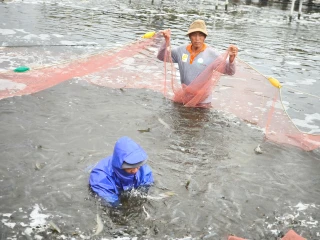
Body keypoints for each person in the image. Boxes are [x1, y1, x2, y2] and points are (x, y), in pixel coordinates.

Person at [157, 19, 238, 106]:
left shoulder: (212, 54)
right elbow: (162, 57)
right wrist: (166, 41)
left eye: (200, 35)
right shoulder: (180, 51)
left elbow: (230, 71)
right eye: (194, 35)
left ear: (204, 37)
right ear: (189, 36)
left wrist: (231, 60)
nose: (197, 39)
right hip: (184, 97)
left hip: (203, 101)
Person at [89, 136, 154, 207]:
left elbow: (145, 189)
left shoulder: (143, 170)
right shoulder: (100, 179)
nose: (135, 171)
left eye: (137, 166)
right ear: (121, 166)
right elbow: (112, 203)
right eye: (131, 167)